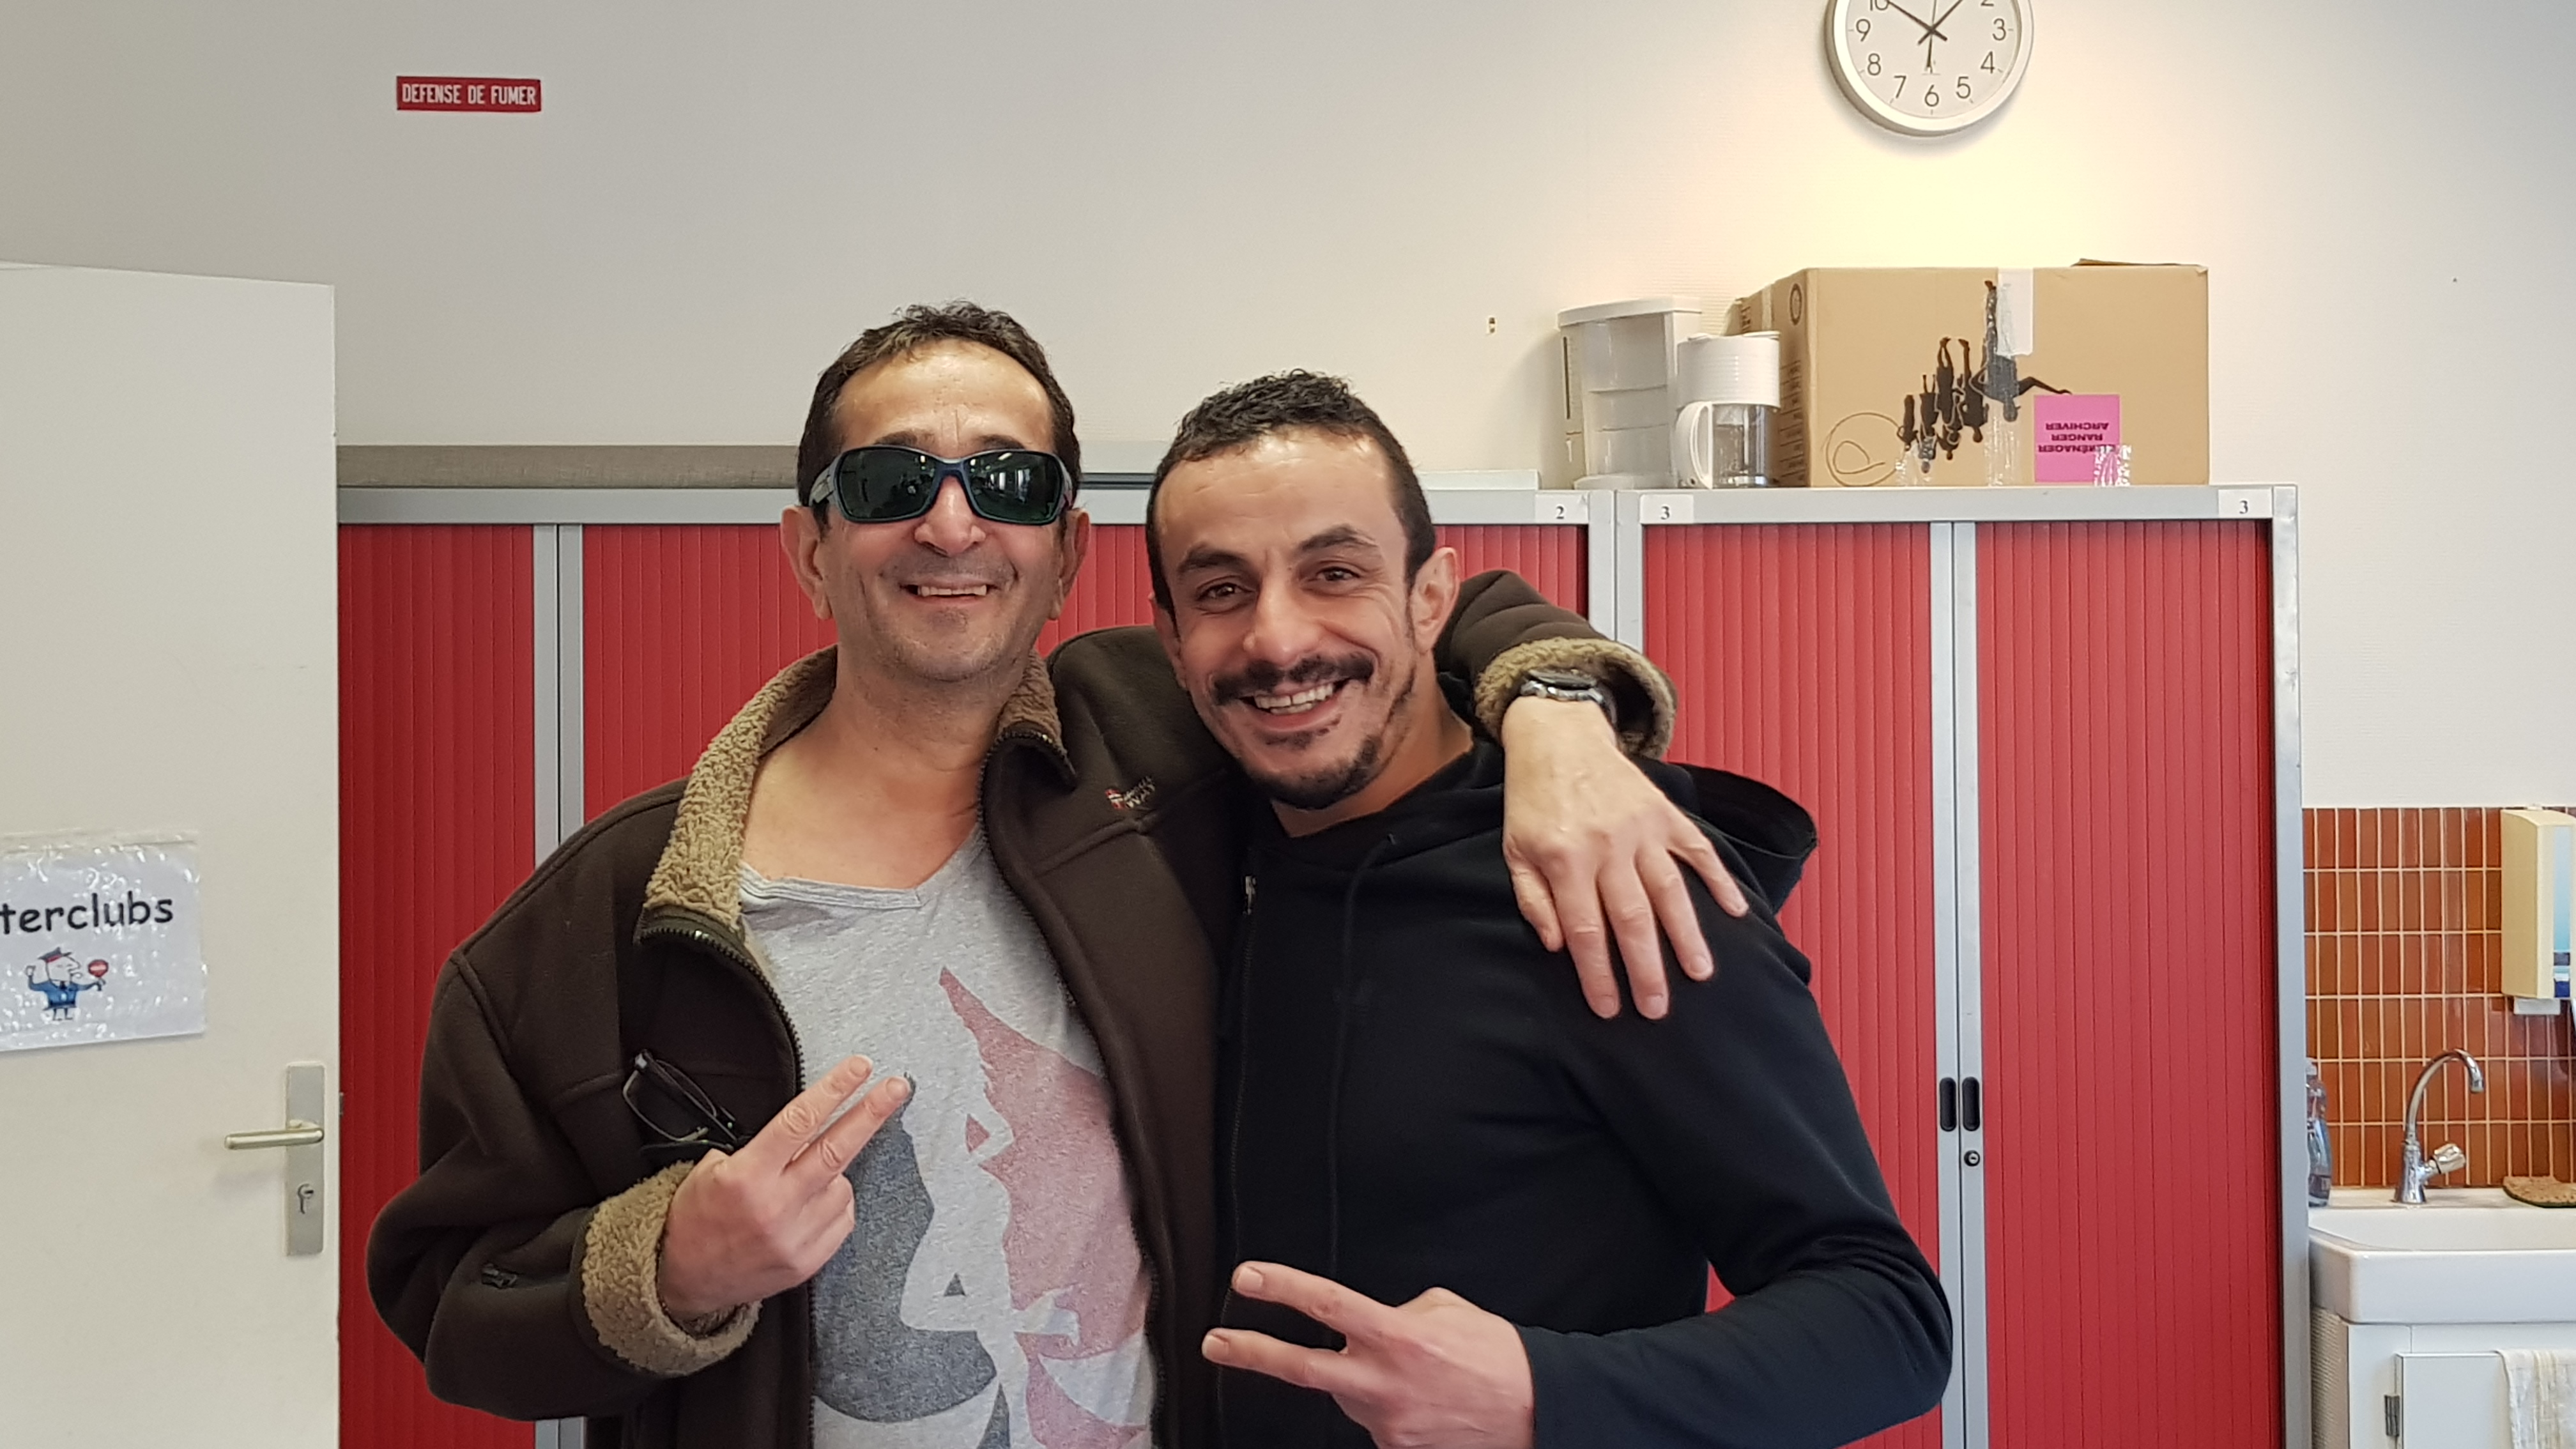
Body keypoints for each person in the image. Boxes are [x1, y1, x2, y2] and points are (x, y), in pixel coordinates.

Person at [366, 303, 1742, 1449]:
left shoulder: (1158, 749)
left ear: (1068, 550)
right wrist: (669, 1268)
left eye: (1008, 483)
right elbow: (450, 1301)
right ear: (809, 549)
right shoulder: (610, 919)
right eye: (892, 484)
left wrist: (1559, 713)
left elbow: (1411, 615)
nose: (952, 524)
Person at [1146, 371, 1953, 1449]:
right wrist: (1553, 695)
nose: (1278, 640)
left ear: (1431, 598)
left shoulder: (1608, 878)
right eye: (1221, 591)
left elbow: (1887, 1322)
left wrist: (1544, 1391)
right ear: (1170, 642)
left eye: (1335, 573)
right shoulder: (1183, 833)